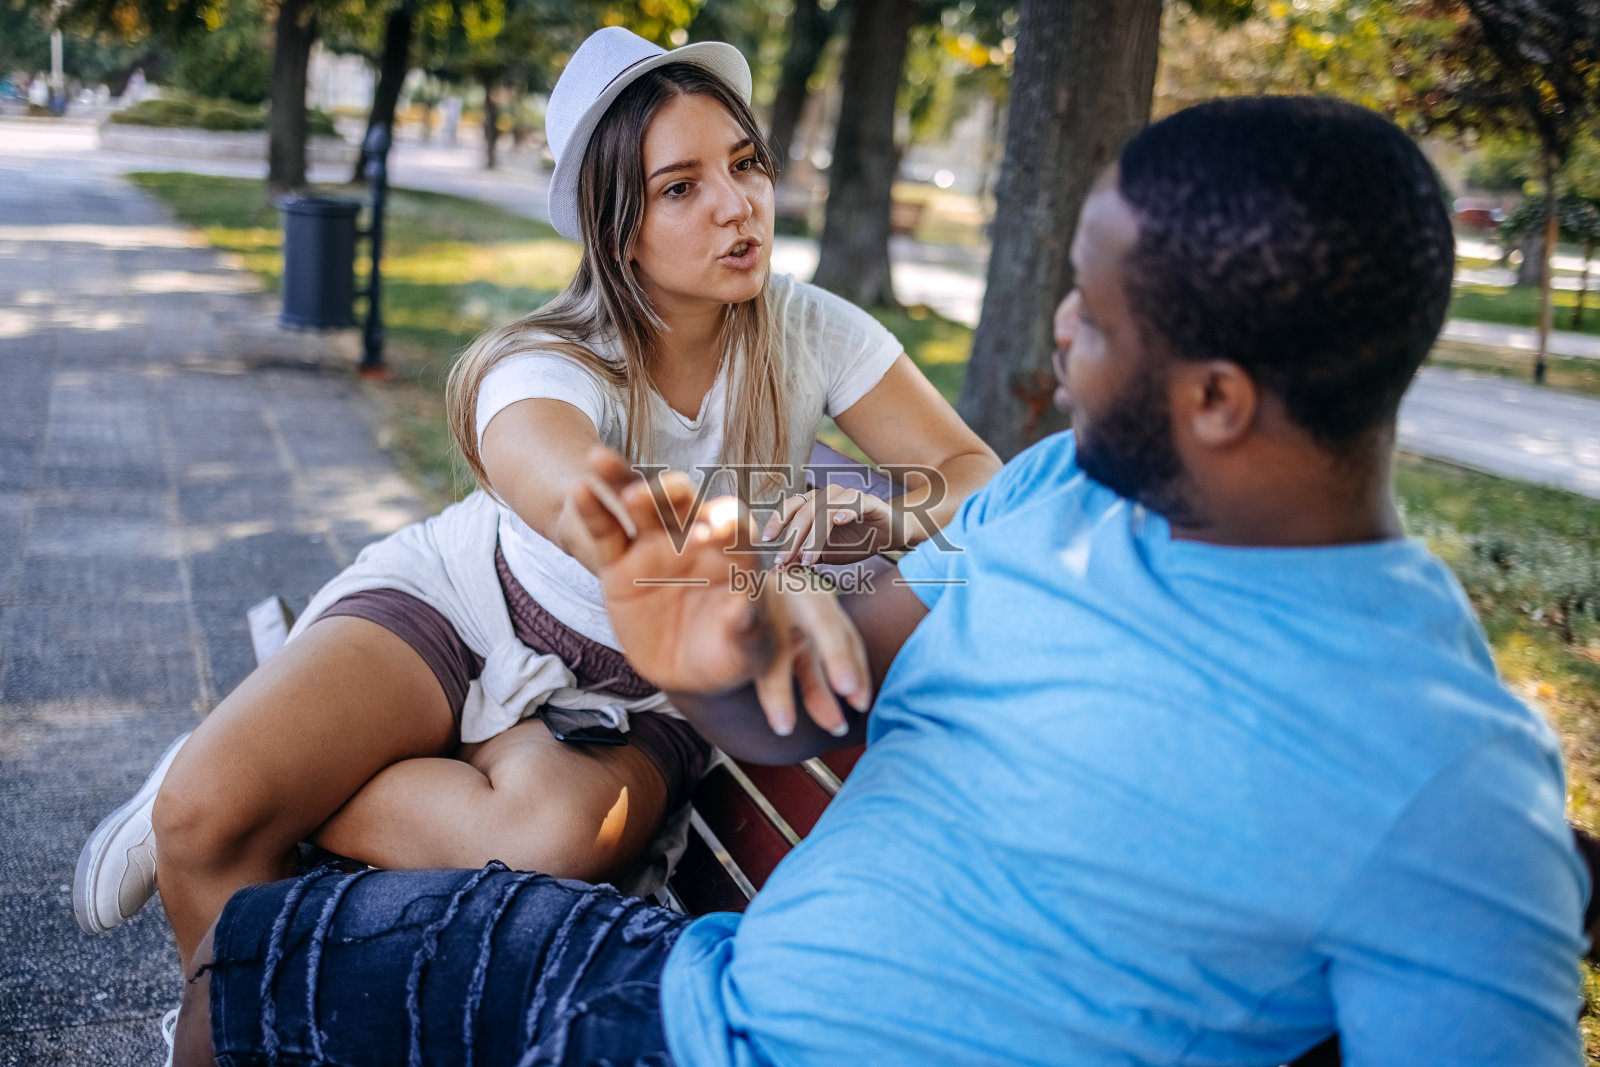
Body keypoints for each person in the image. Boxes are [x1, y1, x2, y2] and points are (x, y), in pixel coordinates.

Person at [171, 96, 1588, 1067]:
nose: (1057, 326)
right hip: (675, 996)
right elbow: (811, 704)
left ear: (1216, 397)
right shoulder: (1059, 495)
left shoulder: (1455, 789)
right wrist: (715, 663)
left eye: (1093, 315)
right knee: (238, 973)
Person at [73, 21, 999, 1034]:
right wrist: (659, 532)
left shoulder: (809, 328)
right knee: (202, 813)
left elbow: (972, 473)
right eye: (681, 186)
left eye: (745, 164)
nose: (739, 207)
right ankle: (222, 1014)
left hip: (640, 694)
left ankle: (286, 766)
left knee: (551, 837)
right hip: (468, 608)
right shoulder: (552, 356)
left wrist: (893, 514)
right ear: (616, 224)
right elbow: (561, 476)